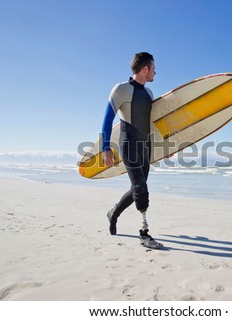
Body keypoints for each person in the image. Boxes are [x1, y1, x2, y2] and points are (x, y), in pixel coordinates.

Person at [100, 52, 163, 249]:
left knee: (138, 187)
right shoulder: (121, 89)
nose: (155, 72)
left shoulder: (150, 94)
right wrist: (105, 147)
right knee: (141, 189)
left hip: (146, 146)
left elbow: (152, 125)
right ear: (145, 69)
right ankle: (144, 232)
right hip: (129, 145)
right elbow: (107, 118)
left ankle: (114, 213)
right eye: (153, 68)